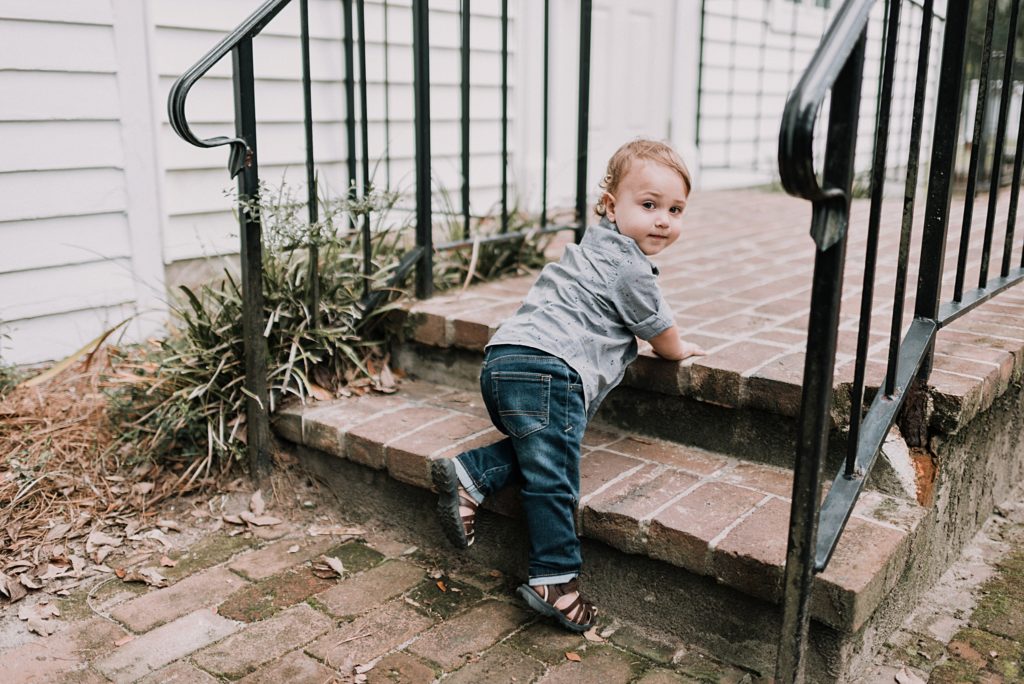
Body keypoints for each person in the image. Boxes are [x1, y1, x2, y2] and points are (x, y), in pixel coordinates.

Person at [431, 139, 705, 632]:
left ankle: (471, 476)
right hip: (548, 370)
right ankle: (554, 580)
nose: (663, 219)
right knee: (555, 478)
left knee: (546, 451)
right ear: (610, 206)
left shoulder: (593, 246)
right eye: (648, 205)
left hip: (505, 361)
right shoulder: (629, 267)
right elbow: (659, 331)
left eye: (675, 209)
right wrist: (678, 350)